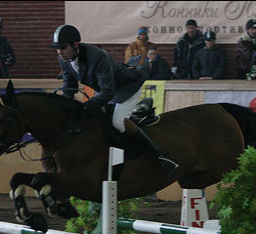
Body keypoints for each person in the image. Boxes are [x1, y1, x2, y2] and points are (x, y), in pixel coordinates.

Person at [50, 24, 178, 175]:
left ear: (75, 44)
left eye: (63, 47)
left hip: (127, 88)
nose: (60, 52)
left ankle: (159, 156)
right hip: (108, 91)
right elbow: (69, 87)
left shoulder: (96, 56)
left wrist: (85, 106)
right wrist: (67, 107)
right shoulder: (64, 60)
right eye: (57, 48)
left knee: (117, 122)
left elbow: (108, 92)